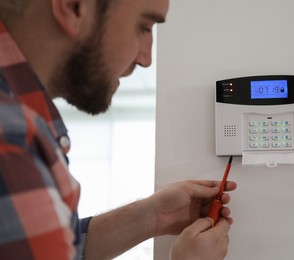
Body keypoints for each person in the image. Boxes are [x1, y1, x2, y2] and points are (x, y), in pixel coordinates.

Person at [0, 0, 237, 259]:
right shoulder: (13, 142)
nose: (146, 59)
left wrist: (150, 217)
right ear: (73, 7)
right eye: (144, 27)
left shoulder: (25, 120)